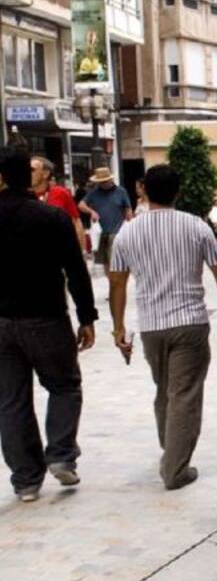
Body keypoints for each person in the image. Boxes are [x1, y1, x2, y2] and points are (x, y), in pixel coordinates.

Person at [108, 165, 217, 490]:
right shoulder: (196, 226)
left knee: (165, 390)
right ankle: (175, 469)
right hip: (190, 322)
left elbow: (117, 282)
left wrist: (119, 328)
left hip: (151, 325)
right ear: (178, 192)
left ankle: (170, 450)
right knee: (184, 394)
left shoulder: (127, 232)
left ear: (144, 190)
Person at [0, 147, 96, 502]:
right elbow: (75, 269)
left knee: (11, 400)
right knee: (65, 385)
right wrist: (87, 316)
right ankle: (60, 455)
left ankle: (26, 481)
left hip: (2, 324)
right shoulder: (50, 217)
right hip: (47, 318)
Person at [79, 167, 132, 276]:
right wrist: (91, 211)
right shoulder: (94, 193)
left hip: (116, 232)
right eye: (100, 182)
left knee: (114, 261)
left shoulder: (121, 191)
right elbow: (81, 205)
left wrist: (129, 220)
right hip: (100, 233)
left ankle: (115, 281)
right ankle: (111, 282)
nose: (102, 184)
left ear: (110, 180)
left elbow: (128, 208)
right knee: (105, 262)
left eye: (104, 181)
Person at [31, 156, 86, 252]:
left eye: (32, 170)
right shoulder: (18, 195)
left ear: (45, 174)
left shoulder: (61, 193)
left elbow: (76, 222)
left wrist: (81, 251)